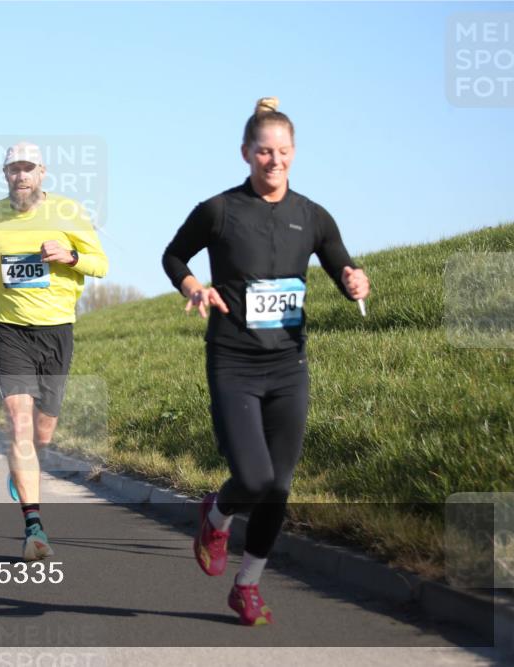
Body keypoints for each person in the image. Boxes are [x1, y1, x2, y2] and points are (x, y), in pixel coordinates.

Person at [162, 98, 370, 626]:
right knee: (253, 479)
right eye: (263, 152)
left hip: (288, 367)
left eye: (282, 152)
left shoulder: (313, 216)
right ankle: (216, 515)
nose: (273, 161)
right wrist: (192, 285)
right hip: (233, 361)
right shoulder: (220, 210)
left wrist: (353, 281)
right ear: (246, 153)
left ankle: (248, 584)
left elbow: (342, 265)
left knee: (280, 486)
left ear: (294, 153)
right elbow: (174, 255)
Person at [0, 141, 108, 561]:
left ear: (42, 173)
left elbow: (100, 263)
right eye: (13, 169)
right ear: (5, 175)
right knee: (19, 424)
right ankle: (34, 526)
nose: (20, 176)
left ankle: (27, 470)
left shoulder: (68, 212)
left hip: (57, 331)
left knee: (42, 433)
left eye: (28, 168)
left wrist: (70, 255)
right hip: (10, 332)